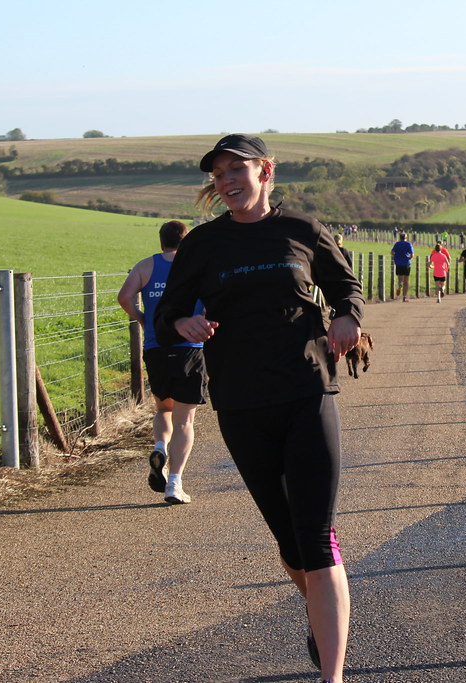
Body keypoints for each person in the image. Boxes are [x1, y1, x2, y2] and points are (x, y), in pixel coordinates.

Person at [154, 134, 363, 683]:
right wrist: (182, 323)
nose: (226, 182)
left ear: (264, 171)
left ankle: (332, 674)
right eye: (217, 175)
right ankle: (322, 616)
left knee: (317, 540)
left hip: (307, 390)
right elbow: (168, 310)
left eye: (235, 170)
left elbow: (346, 286)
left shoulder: (301, 230)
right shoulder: (204, 245)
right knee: (291, 545)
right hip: (242, 403)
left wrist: (347, 315)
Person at [117, 220, 207, 505]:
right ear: (187, 240)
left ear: (161, 240)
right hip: (190, 349)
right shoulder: (197, 266)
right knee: (185, 420)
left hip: (156, 349)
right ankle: (175, 484)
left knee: (163, 408)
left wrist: (143, 319)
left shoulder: (145, 266)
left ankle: (159, 447)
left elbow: (124, 297)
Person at [391, 231, 414, 302]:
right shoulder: (409, 244)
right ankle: (404, 297)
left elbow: (392, 252)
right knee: (406, 281)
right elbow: (412, 254)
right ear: (406, 238)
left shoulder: (397, 244)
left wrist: (396, 256)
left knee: (400, 279)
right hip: (406, 263)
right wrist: (409, 258)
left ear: (400, 238)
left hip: (398, 263)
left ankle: (400, 285)